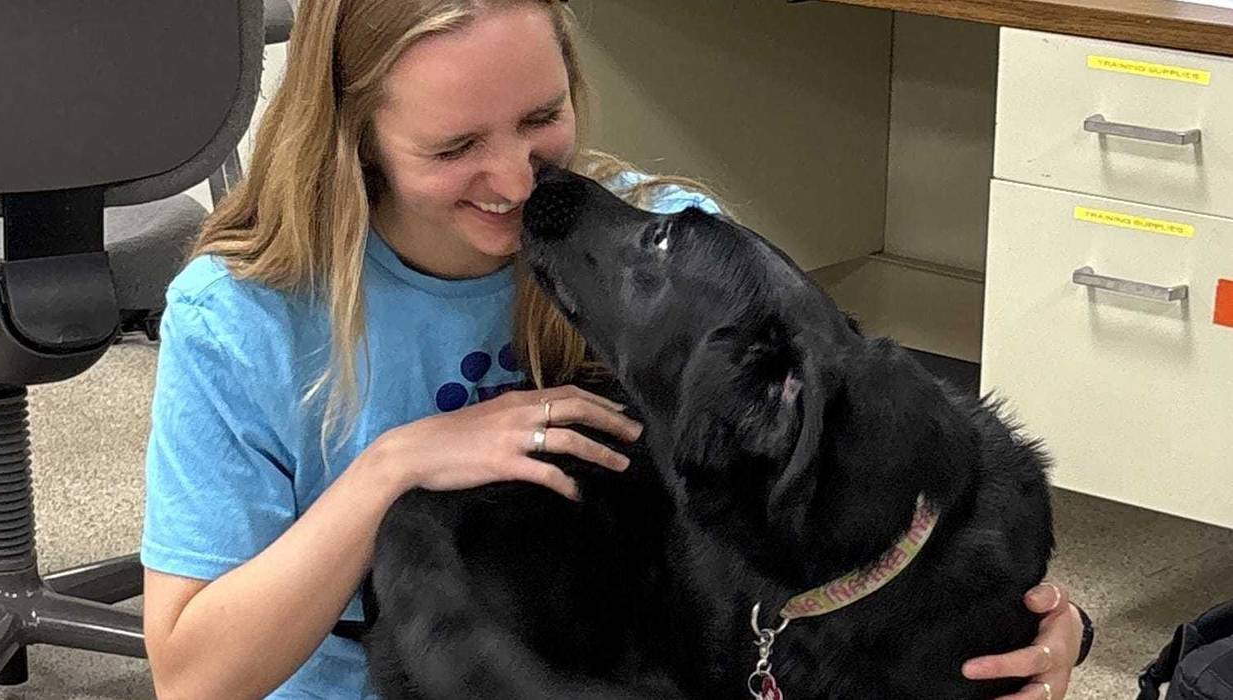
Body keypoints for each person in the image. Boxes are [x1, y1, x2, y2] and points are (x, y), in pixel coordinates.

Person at [139, 1, 1090, 698]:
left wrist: (1049, 633)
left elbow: (843, 522)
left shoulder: (665, 261)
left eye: (541, 118)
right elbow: (192, 679)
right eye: (454, 146)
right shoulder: (242, 316)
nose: (514, 179)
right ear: (357, 137)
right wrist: (392, 467)